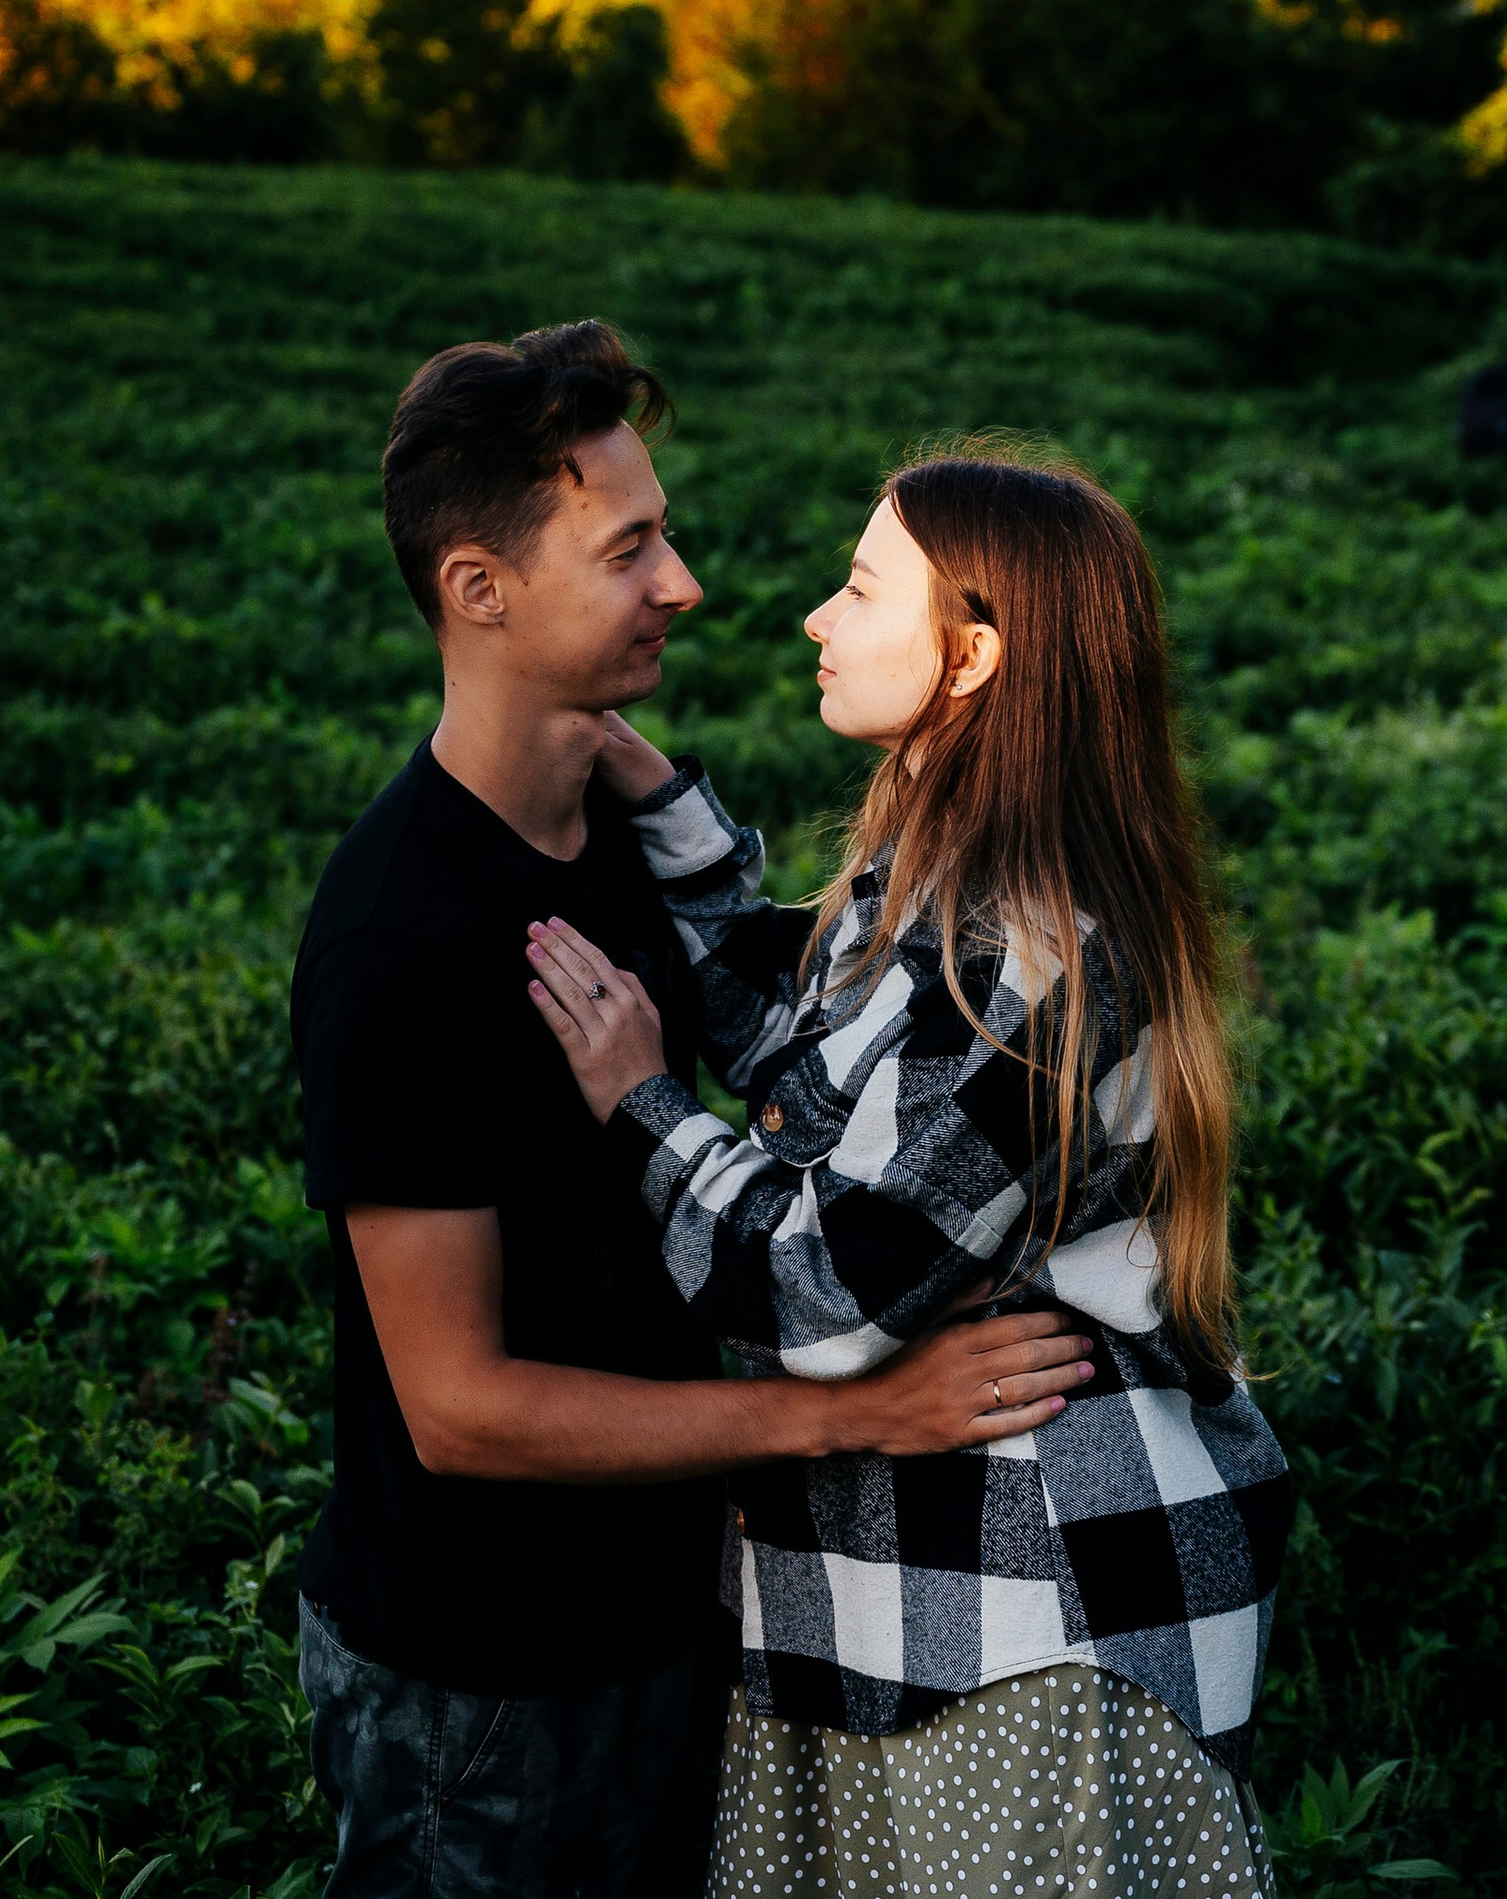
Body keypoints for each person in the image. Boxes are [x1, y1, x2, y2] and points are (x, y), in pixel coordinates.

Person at [291, 328, 1095, 1899]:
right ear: (481, 590)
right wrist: (854, 1412)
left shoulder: (611, 827)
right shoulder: (401, 936)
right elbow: (459, 1409)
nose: (687, 584)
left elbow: (806, 1054)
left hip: (683, 1621)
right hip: (486, 1688)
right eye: (631, 547)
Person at [525, 443, 1294, 1897]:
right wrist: (658, 805)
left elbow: (822, 1289)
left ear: (974, 655)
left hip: (1028, 1627)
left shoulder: (1034, 954)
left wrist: (643, 1107)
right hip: (877, 1615)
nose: (818, 617)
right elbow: (803, 1049)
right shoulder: (931, 887)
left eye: (864, 588)